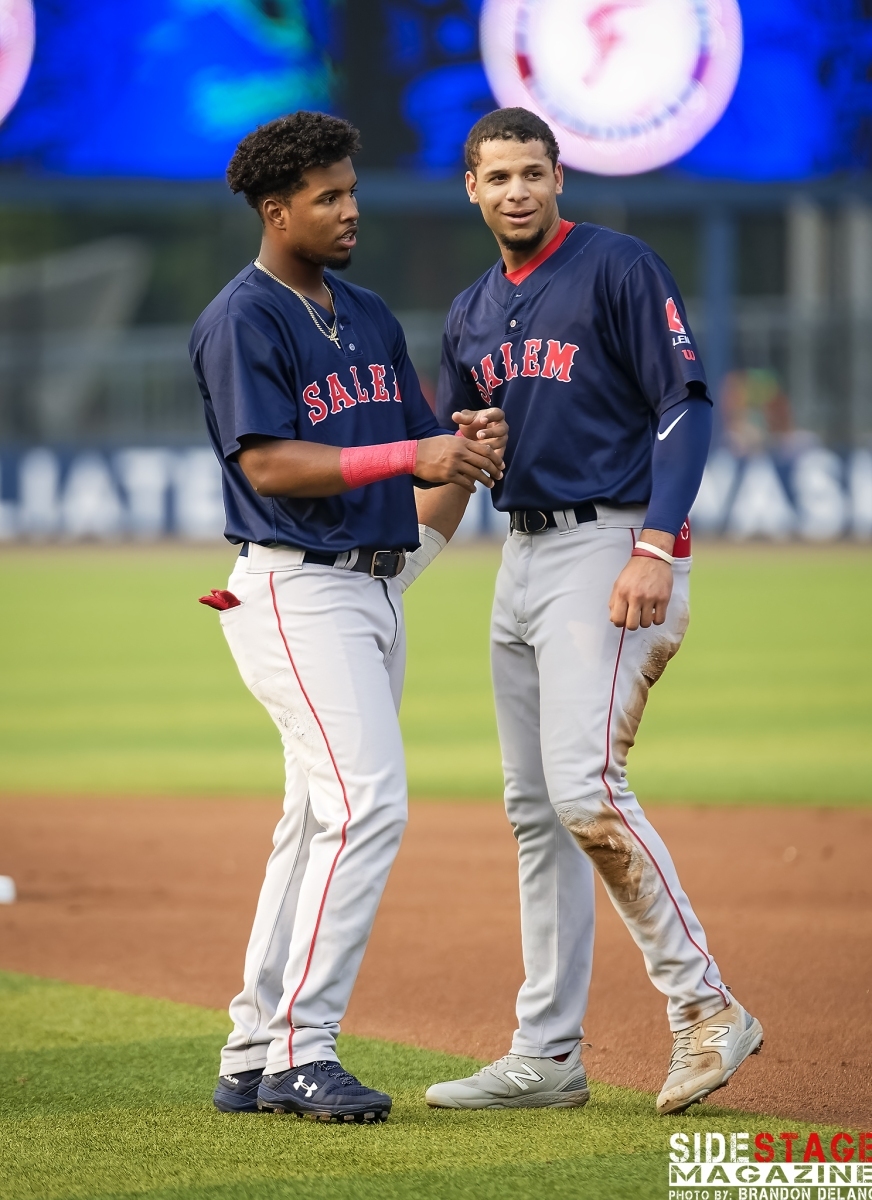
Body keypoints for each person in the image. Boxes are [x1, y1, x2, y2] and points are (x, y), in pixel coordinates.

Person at [425, 108, 763, 1116]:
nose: (517, 190)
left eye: (534, 172)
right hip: (521, 554)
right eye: (499, 176)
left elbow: (686, 402)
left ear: (559, 177)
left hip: (611, 544)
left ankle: (706, 1007)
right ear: (473, 190)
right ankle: (547, 1055)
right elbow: (458, 463)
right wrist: (389, 574)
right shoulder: (471, 311)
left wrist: (656, 542)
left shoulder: (619, 266)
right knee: (537, 814)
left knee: (585, 791)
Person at [189, 111, 507, 1124]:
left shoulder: (367, 314)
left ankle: (251, 1051)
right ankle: (301, 1049)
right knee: (367, 806)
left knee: (313, 822)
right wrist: (406, 459)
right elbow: (269, 463)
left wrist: (465, 440)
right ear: (277, 211)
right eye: (326, 196)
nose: (349, 209)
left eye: (351, 190)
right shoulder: (244, 316)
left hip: (373, 585)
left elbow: (422, 446)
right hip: (294, 584)